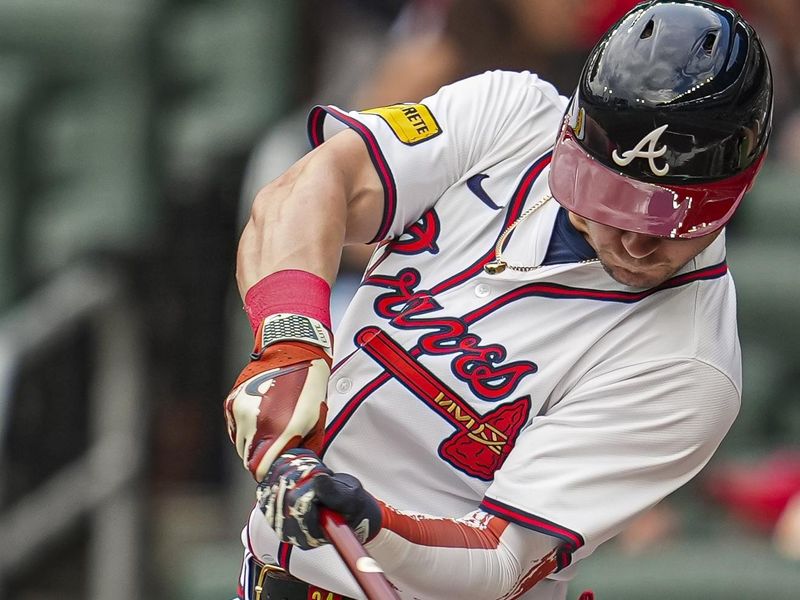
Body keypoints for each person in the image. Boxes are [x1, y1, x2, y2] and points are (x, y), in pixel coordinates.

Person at [224, 1, 773, 598]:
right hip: (271, 575)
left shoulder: (691, 364)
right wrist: (289, 340)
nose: (637, 242)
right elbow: (314, 184)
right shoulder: (508, 115)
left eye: (676, 220)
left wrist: (368, 520)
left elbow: (498, 561)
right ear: (571, 137)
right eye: (609, 197)